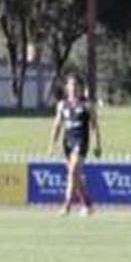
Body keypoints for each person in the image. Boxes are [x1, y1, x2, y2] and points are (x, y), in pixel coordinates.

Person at [48, 75, 102, 216]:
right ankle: (87, 205)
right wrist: (52, 144)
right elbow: (57, 125)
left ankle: (68, 205)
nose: (73, 88)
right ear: (66, 88)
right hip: (68, 143)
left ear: (80, 87)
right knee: (74, 175)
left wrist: (98, 145)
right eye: (70, 85)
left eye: (75, 85)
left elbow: (95, 125)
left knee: (73, 171)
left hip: (81, 142)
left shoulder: (87, 105)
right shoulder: (62, 105)